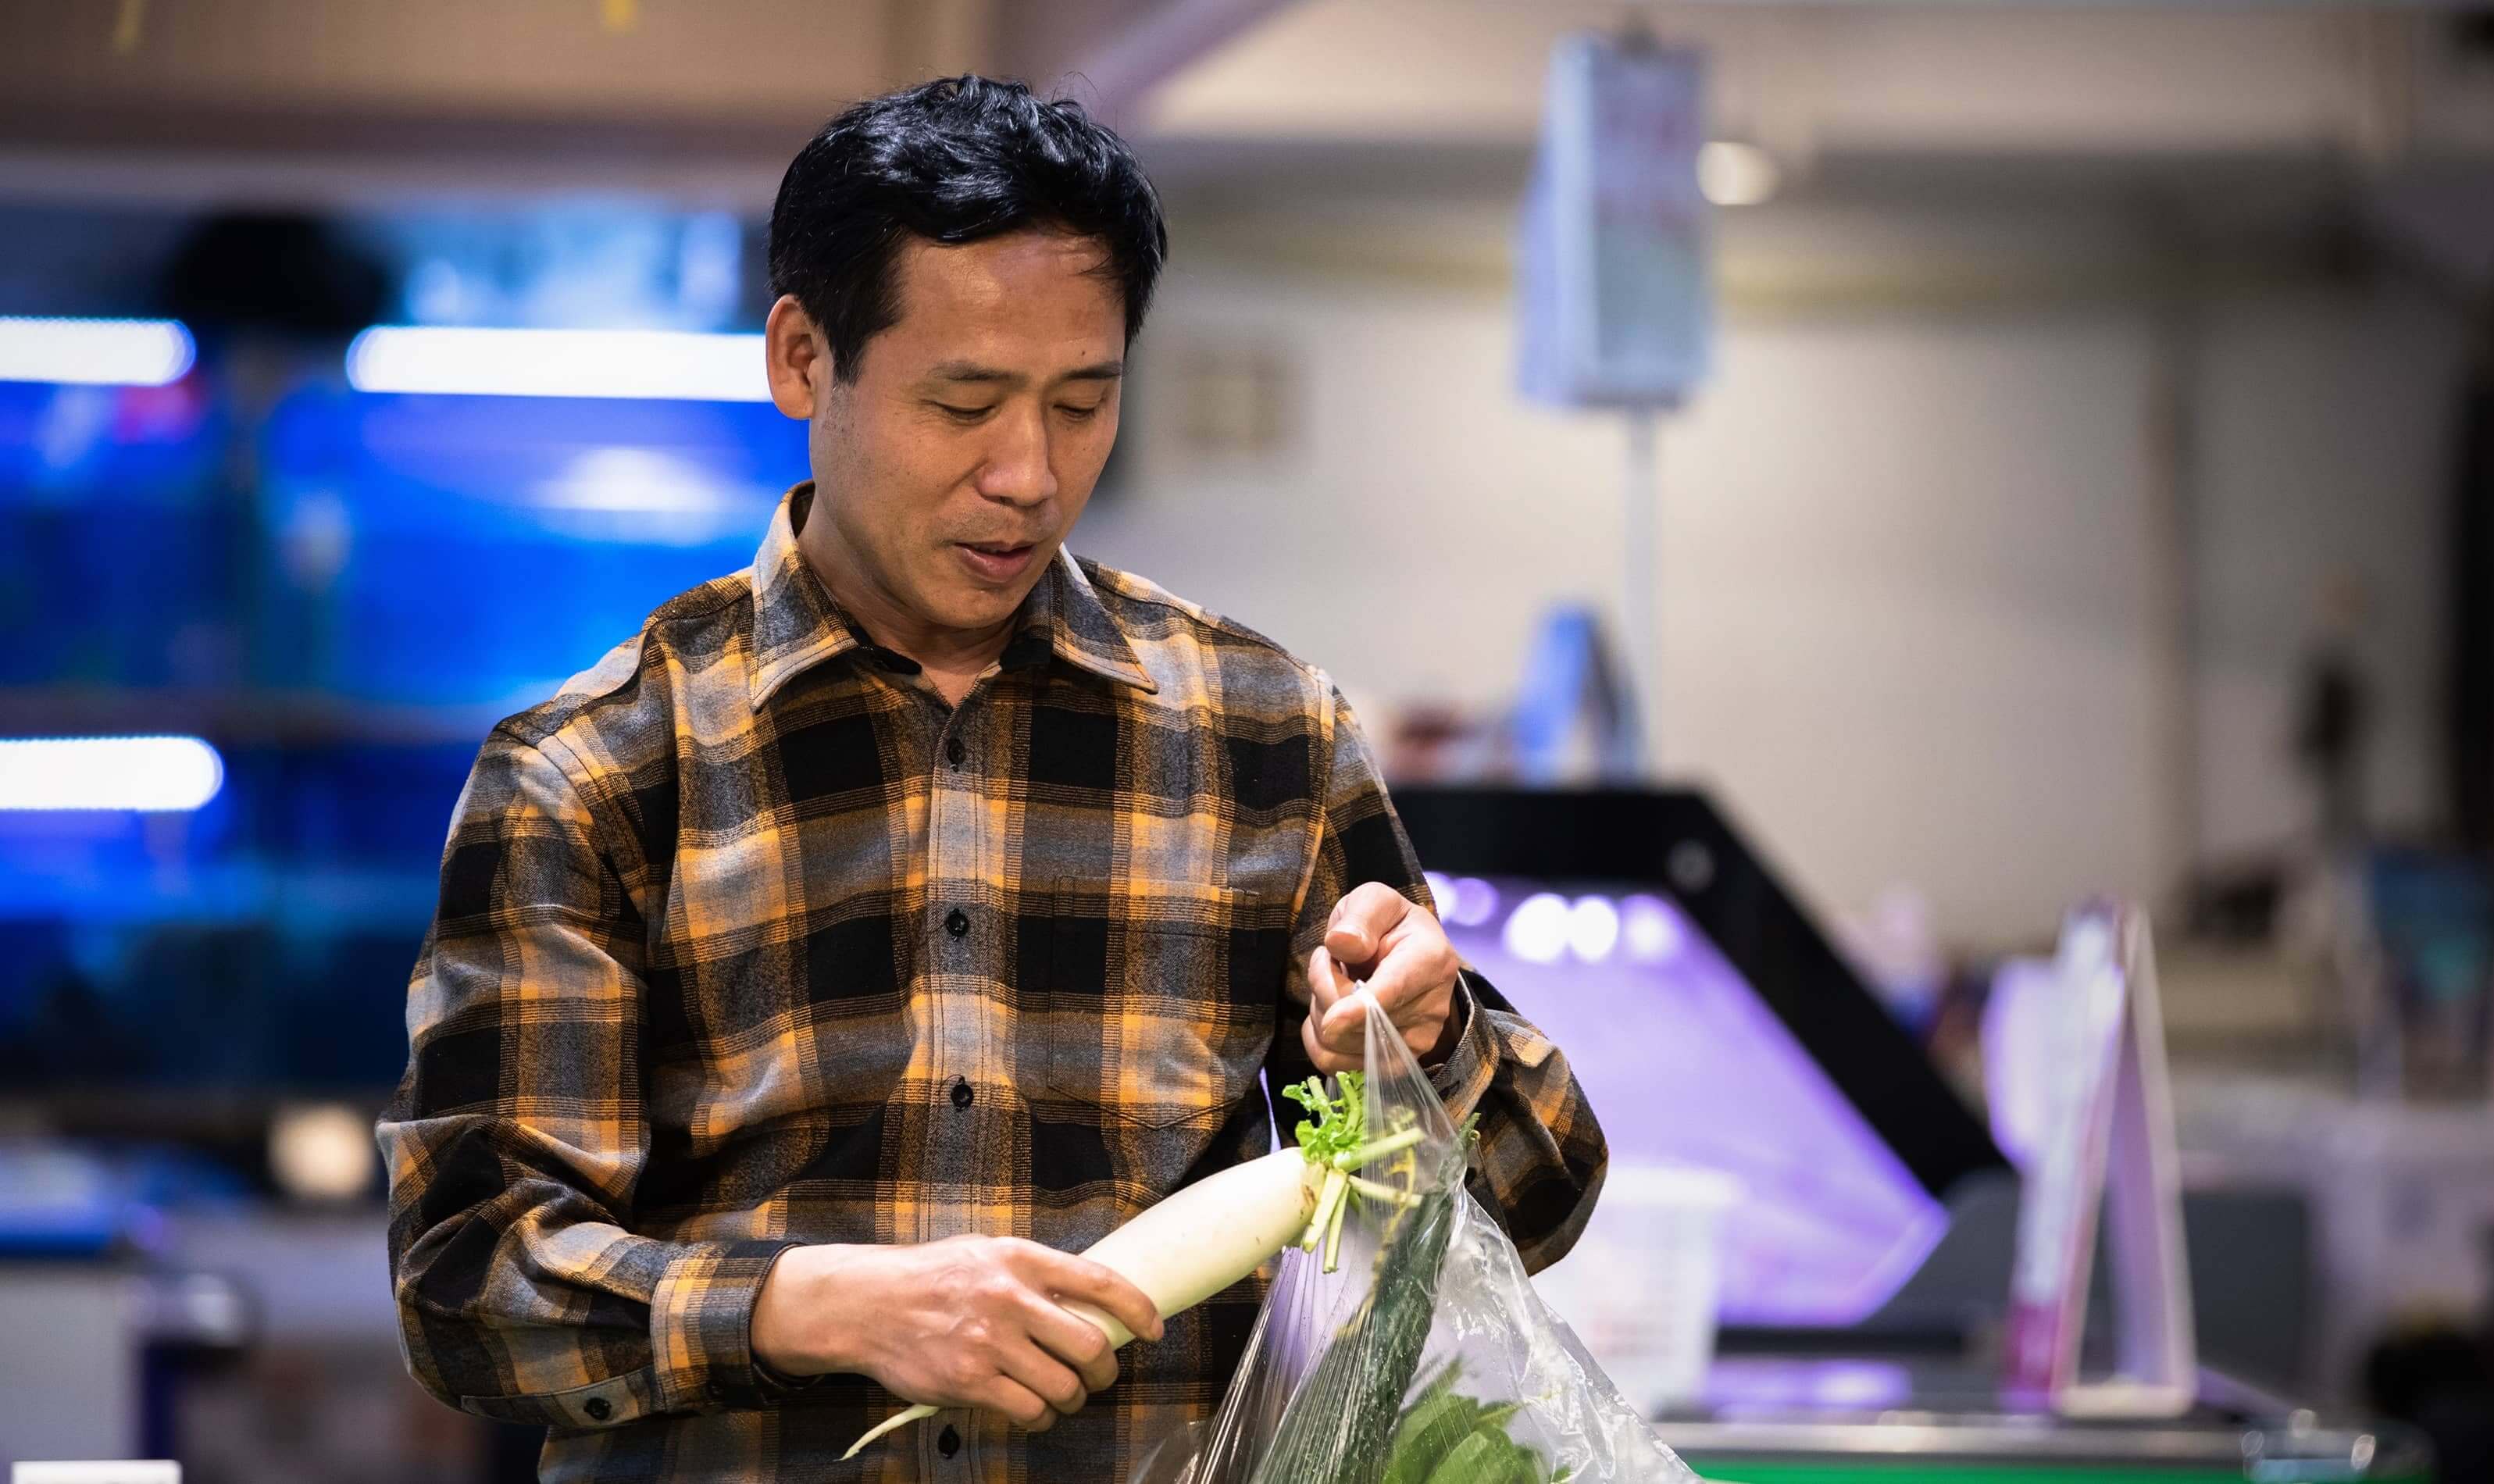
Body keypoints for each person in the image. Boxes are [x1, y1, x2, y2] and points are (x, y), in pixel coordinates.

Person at [378, 76, 1606, 1482]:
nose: (1027, 473)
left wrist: (1426, 1046)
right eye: (963, 402)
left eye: (1083, 404)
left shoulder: (1263, 734)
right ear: (801, 359)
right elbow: (468, 1283)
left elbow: (1541, 1204)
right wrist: (822, 1305)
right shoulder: (597, 771)